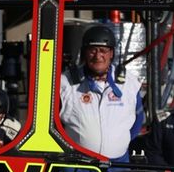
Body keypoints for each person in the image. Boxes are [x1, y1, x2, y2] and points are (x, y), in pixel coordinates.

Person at [59, 23, 144, 162]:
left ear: (111, 53)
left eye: (103, 50)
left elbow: (138, 120)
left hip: (117, 165)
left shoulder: (130, 83)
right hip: (78, 165)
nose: (98, 56)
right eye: (92, 50)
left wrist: (118, 144)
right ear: (84, 52)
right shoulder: (65, 83)